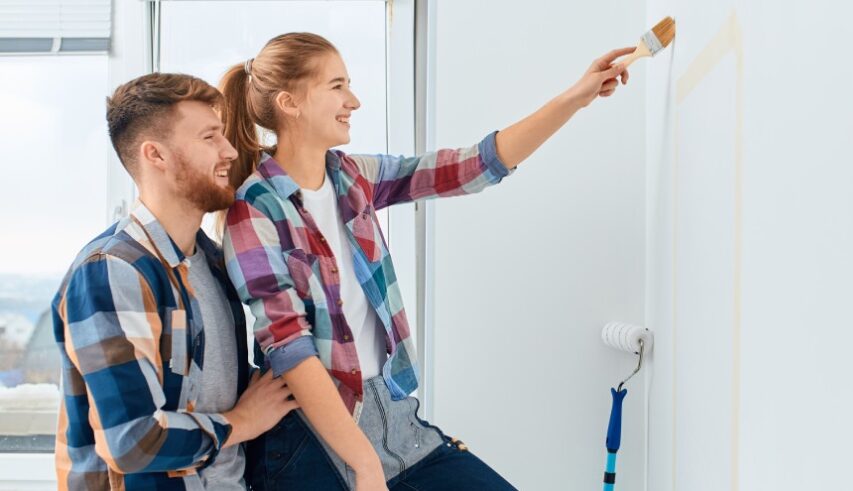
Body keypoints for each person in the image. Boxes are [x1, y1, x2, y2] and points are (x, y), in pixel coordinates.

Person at [220, 32, 634, 490]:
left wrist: (576, 97)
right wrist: (364, 462)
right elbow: (291, 350)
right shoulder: (254, 209)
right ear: (289, 102)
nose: (353, 100)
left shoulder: (352, 176)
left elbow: (473, 166)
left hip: (395, 423)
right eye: (337, 86)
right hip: (311, 441)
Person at [53, 73, 298, 490]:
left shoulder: (216, 264)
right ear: (156, 155)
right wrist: (239, 424)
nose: (229, 151)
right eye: (209, 137)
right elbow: (131, 442)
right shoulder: (113, 271)